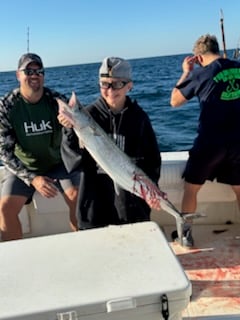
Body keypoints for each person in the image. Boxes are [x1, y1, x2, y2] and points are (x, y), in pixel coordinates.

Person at [58, 56, 162, 230]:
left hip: (132, 207)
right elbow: (73, 162)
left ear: (129, 85)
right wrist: (69, 131)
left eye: (117, 84)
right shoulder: (90, 115)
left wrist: (152, 190)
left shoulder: (139, 118)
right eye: (105, 84)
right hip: (94, 204)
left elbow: (152, 160)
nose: (110, 90)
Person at [170, 34, 240, 247]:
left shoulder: (200, 74)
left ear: (198, 57)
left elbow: (174, 101)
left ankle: (186, 235)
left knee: (192, 188)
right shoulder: (238, 66)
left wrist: (186, 72)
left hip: (211, 142)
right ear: (217, 49)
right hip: (239, 142)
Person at [0, 53, 79, 241]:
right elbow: (4, 152)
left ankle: (80, 244)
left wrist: (69, 127)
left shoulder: (57, 101)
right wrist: (33, 179)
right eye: (28, 70)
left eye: (39, 71)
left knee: (78, 197)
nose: (34, 75)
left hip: (59, 163)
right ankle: (17, 255)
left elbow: (76, 140)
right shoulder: (7, 106)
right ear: (18, 75)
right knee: (5, 208)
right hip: (25, 167)